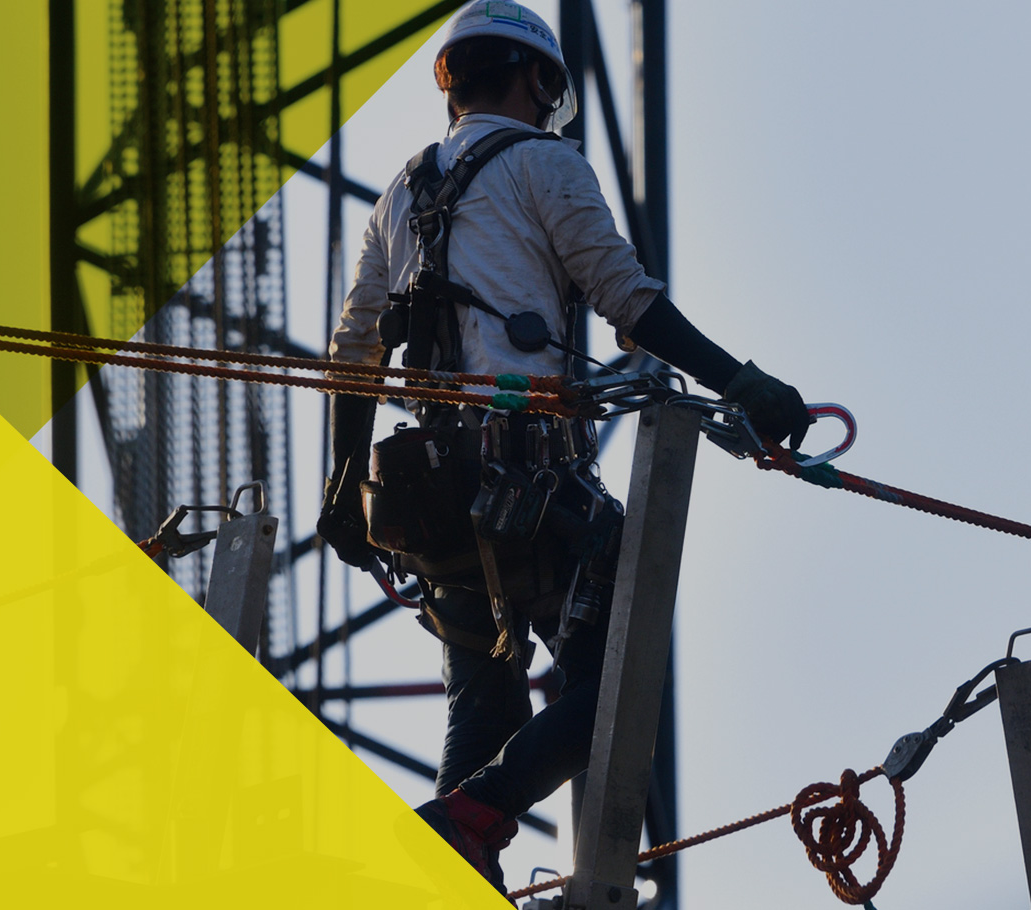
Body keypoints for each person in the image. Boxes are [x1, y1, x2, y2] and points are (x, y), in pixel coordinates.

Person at [315, 1, 814, 892]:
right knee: (622, 688)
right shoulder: (547, 163)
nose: (551, 105)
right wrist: (740, 381)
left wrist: (345, 490)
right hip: (525, 477)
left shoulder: (398, 194)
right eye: (548, 88)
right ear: (533, 76)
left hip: (425, 493)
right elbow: (627, 300)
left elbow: (353, 353)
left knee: (483, 699)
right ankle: (475, 814)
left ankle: (455, 860)